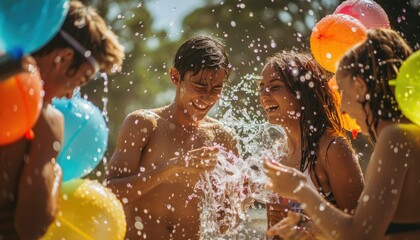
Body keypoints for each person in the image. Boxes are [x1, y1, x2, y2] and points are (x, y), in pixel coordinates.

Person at [264, 28, 420, 240]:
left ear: (360, 86)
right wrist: (310, 228)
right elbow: (362, 229)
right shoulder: (403, 134)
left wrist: (301, 189)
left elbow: (361, 236)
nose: (343, 109)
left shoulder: (396, 137)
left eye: (343, 93)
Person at [0, 1, 124, 239]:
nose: (70, 95)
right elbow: (30, 226)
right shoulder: (47, 120)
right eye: (80, 79)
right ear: (64, 58)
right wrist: (53, 169)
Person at [106, 36, 238, 239]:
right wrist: (173, 166)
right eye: (200, 86)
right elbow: (111, 193)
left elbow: (224, 225)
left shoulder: (222, 137)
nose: (208, 97)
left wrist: (241, 196)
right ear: (175, 77)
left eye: (217, 88)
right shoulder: (144, 124)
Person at [259, 51, 365, 239]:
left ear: (302, 92)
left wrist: (305, 223)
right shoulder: (277, 154)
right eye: (262, 87)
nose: (264, 95)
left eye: (275, 87)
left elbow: (361, 230)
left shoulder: (332, 149)